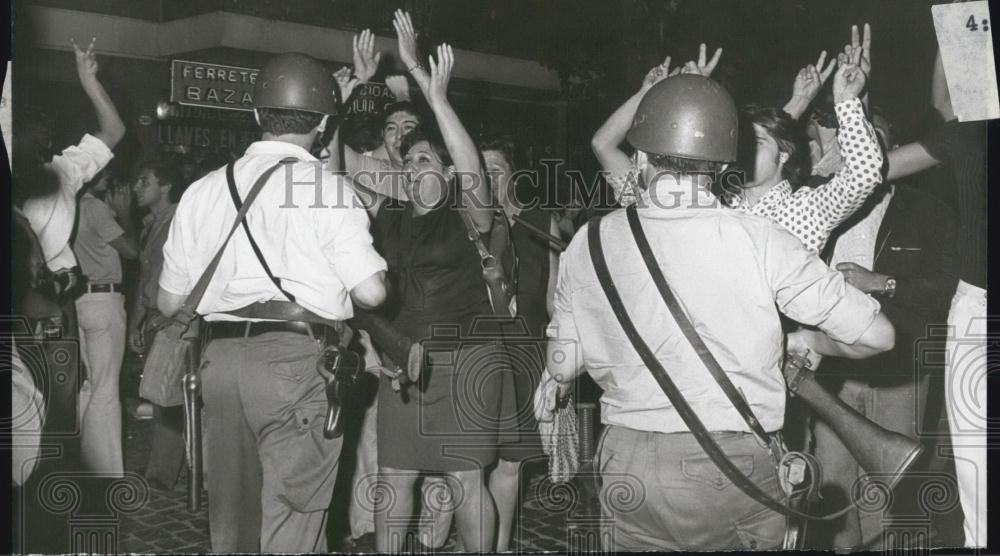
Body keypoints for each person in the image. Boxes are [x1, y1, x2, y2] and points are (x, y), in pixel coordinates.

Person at [542, 73, 896, 551]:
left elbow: (563, 363)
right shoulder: (758, 238)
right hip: (730, 465)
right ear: (723, 164)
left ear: (642, 157)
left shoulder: (589, 241)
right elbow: (879, 336)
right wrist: (805, 340)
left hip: (626, 463)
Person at [157, 51, 388, 552]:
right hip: (296, 364)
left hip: (220, 364)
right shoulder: (329, 190)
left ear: (258, 116)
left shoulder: (202, 190)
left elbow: (169, 299)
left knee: (234, 520)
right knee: (292, 516)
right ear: (325, 124)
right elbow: (372, 291)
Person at [369, 12, 504, 550]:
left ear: (446, 174)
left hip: (466, 359)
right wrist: (379, 343)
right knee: (394, 478)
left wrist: (431, 92)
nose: (411, 163)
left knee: (464, 478)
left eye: (424, 157)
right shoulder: (387, 219)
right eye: (407, 160)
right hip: (404, 361)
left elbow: (471, 168)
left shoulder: (468, 213)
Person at [805, 110, 959, 549]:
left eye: (876, 140)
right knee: (832, 488)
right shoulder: (822, 203)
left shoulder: (929, 211)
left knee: (889, 492)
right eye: (857, 139)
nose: (865, 148)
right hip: (831, 370)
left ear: (895, 152)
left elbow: (947, 289)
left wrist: (881, 283)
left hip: (898, 373)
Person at [594, 27, 882, 254]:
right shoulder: (706, 202)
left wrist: (846, 100)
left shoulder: (807, 209)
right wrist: (675, 94)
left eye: (753, 145)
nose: (737, 152)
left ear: (784, 155)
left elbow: (865, 175)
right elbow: (604, 147)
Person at [880, 50, 987, 548]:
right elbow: (944, 101)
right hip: (976, 306)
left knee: (973, 451)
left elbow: (941, 100)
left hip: (978, 307)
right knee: (971, 450)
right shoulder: (970, 129)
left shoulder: (970, 128)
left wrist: (956, 24)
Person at [15, 37, 125, 457]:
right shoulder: (53, 175)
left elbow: (113, 132)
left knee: (51, 424)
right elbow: (113, 132)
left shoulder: (59, 173)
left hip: (47, 316)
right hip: (41, 317)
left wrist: (86, 78)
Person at [72, 169, 138, 476]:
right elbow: (131, 250)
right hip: (104, 299)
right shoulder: (95, 207)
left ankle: (83, 460)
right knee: (106, 388)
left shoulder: (69, 205)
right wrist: (125, 213)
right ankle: (105, 472)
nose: (110, 178)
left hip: (78, 301)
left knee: (89, 385)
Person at [127, 161, 187, 490]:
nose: (137, 187)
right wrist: (136, 321)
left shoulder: (180, 221)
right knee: (158, 393)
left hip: (171, 319)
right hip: (154, 316)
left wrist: (174, 313)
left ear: (165, 187)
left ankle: (163, 474)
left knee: (168, 395)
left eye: (144, 181)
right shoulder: (153, 223)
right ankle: (160, 468)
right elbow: (146, 277)